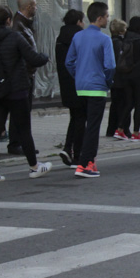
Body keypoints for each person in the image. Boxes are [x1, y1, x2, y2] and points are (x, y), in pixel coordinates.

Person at [0, 6, 52, 182]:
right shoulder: (14, 36)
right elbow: (32, 58)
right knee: (23, 129)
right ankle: (34, 166)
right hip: (16, 89)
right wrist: (45, 57)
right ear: (9, 20)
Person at [65, 2, 116, 178]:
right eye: (107, 16)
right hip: (97, 88)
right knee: (93, 128)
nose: (108, 19)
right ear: (100, 18)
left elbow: (69, 62)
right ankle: (85, 164)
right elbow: (110, 66)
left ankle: (87, 161)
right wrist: (107, 82)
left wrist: (78, 76)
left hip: (81, 87)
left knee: (81, 123)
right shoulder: (104, 39)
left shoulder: (78, 37)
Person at [115, 16, 140, 141]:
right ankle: (136, 133)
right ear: (139, 27)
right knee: (139, 105)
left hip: (126, 75)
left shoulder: (125, 39)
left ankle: (120, 129)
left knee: (129, 103)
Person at [7, 0, 39, 156]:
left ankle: (22, 142)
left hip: (27, 73)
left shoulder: (24, 24)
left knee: (24, 110)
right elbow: (21, 50)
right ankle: (16, 142)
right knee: (20, 110)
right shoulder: (19, 25)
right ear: (28, 7)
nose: (36, 9)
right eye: (35, 6)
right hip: (22, 74)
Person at [55, 9, 85, 167]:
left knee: (75, 116)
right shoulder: (79, 36)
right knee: (81, 118)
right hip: (79, 81)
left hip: (65, 82)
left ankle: (68, 148)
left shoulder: (60, 37)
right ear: (79, 21)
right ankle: (77, 154)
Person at [108, 18, 132, 140]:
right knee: (124, 104)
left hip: (114, 79)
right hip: (121, 79)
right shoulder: (119, 44)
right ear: (121, 31)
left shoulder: (111, 42)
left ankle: (111, 129)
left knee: (115, 104)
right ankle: (123, 129)